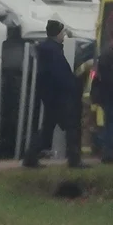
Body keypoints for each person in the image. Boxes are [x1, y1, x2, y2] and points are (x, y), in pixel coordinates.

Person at [22, 19, 83, 169]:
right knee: (71, 127)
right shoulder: (54, 51)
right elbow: (60, 74)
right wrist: (72, 85)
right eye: (62, 32)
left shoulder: (47, 50)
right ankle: (74, 160)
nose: (64, 35)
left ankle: (30, 156)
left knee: (48, 129)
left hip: (50, 96)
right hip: (60, 96)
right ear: (57, 33)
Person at [92, 48, 113, 164]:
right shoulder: (111, 70)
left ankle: (107, 151)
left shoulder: (101, 69)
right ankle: (108, 153)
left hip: (106, 99)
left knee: (109, 125)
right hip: (112, 98)